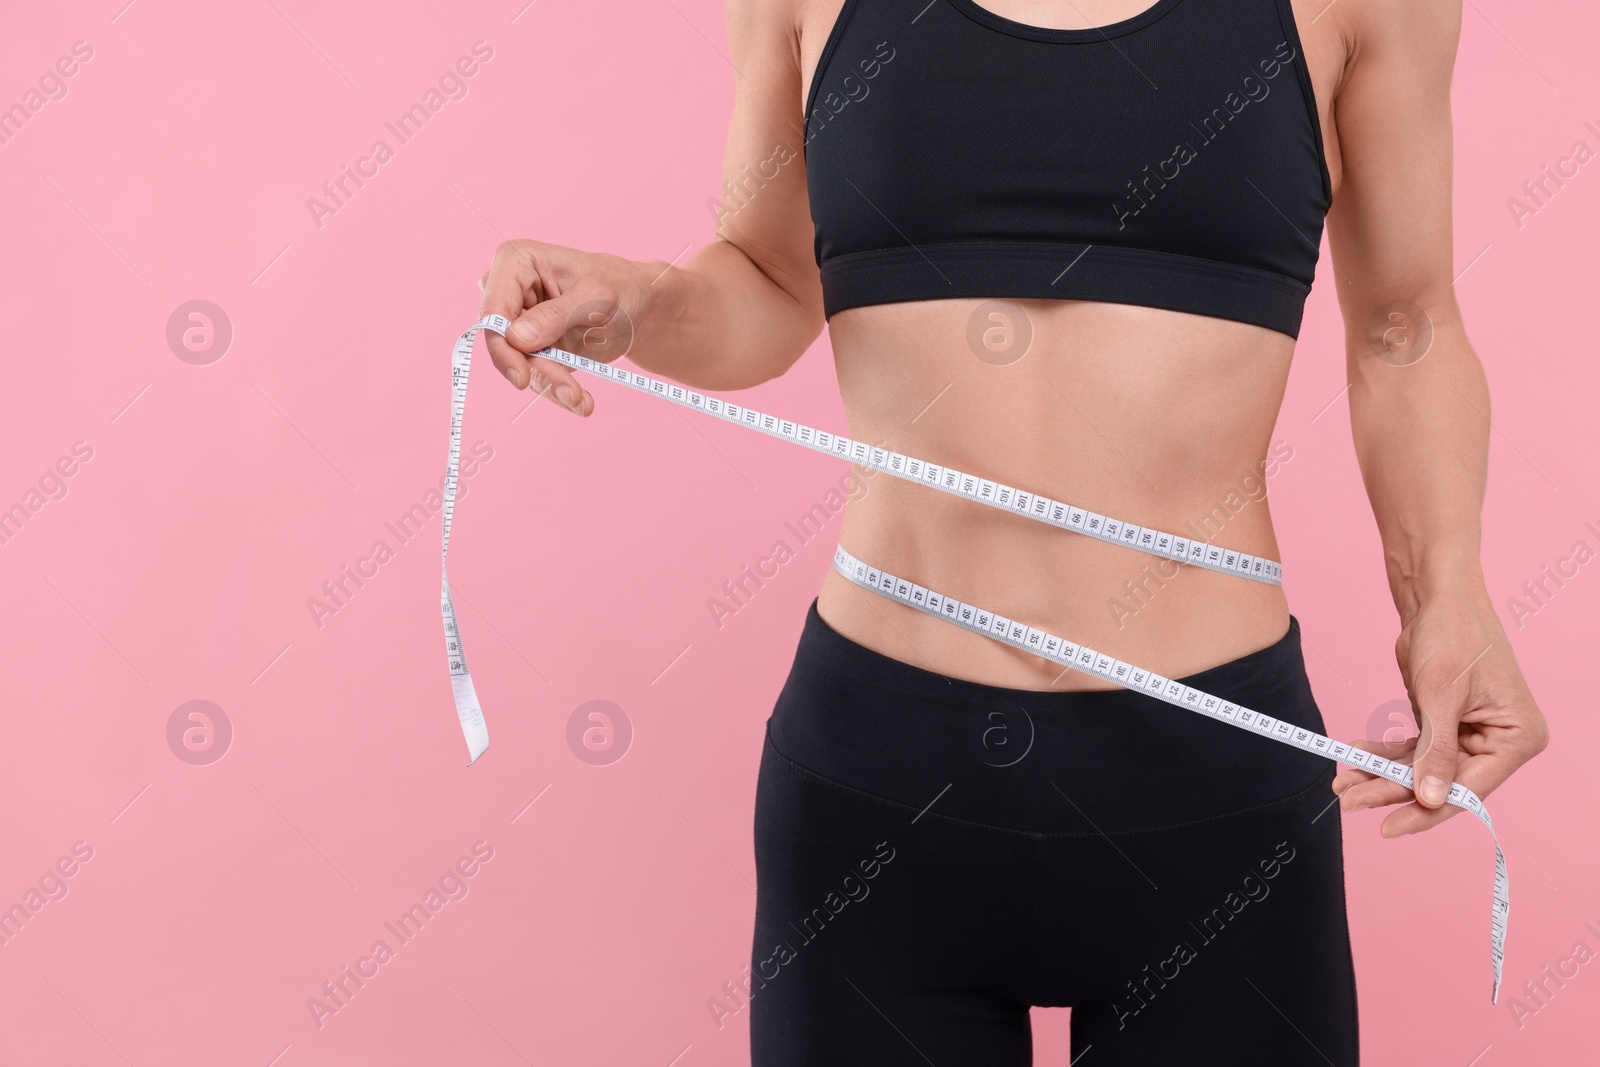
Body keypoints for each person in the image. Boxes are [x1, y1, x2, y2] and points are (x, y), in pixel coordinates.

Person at [477, 0, 1548, 1061]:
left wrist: (1444, 595)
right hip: (880, 775)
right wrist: (636, 306)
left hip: (1209, 777)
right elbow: (765, 274)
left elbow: (1405, 326)